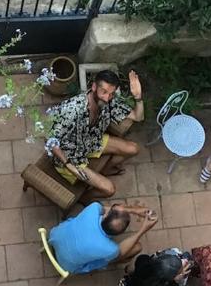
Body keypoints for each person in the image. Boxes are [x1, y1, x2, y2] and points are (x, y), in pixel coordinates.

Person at [47, 69, 144, 197]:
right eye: (103, 91)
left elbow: (138, 117)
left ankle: (104, 171)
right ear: (94, 87)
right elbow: (50, 140)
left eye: (111, 93)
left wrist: (138, 97)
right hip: (71, 155)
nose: (107, 97)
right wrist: (68, 165)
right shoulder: (72, 109)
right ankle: (85, 198)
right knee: (109, 189)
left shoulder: (110, 101)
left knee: (133, 149)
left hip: (92, 140)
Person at [48, 201, 159, 274]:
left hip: (54, 237)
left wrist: (133, 210)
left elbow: (107, 209)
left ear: (106, 215)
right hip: (66, 265)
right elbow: (119, 253)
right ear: (118, 234)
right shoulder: (110, 249)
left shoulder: (93, 208)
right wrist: (143, 229)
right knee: (133, 249)